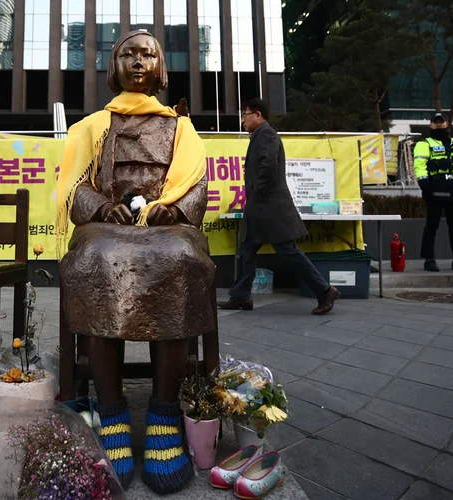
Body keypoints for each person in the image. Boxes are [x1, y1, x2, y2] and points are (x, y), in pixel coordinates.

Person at [56, 31, 211, 494]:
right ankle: (111, 414)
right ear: (113, 65)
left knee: (180, 257)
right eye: (128, 53)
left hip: (166, 229)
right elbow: (73, 187)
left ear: (161, 67)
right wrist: (102, 207)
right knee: (98, 258)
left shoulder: (181, 128)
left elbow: (196, 185)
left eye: (148, 54)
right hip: (105, 228)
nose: (138, 61)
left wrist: (175, 208)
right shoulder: (90, 128)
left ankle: (165, 414)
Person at [217, 98, 340, 315]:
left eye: (245, 115)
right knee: (247, 249)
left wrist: (256, 190)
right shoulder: (259, 135)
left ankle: (325, 290)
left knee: (288, 252)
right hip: (261, 206)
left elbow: (269, 165)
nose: (243, 120)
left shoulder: (266, 134)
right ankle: (241, 296)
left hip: (271, 207)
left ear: (258, 115)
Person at [414, 113, 453, 272]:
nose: (439, 124)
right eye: (436, 121)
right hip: (434, 189)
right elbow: (419, 164)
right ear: (431, 125)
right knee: (432, 225)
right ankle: (429, 260)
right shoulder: (424, 144)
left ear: (447, 124)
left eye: (441, 121)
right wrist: (424, 182)